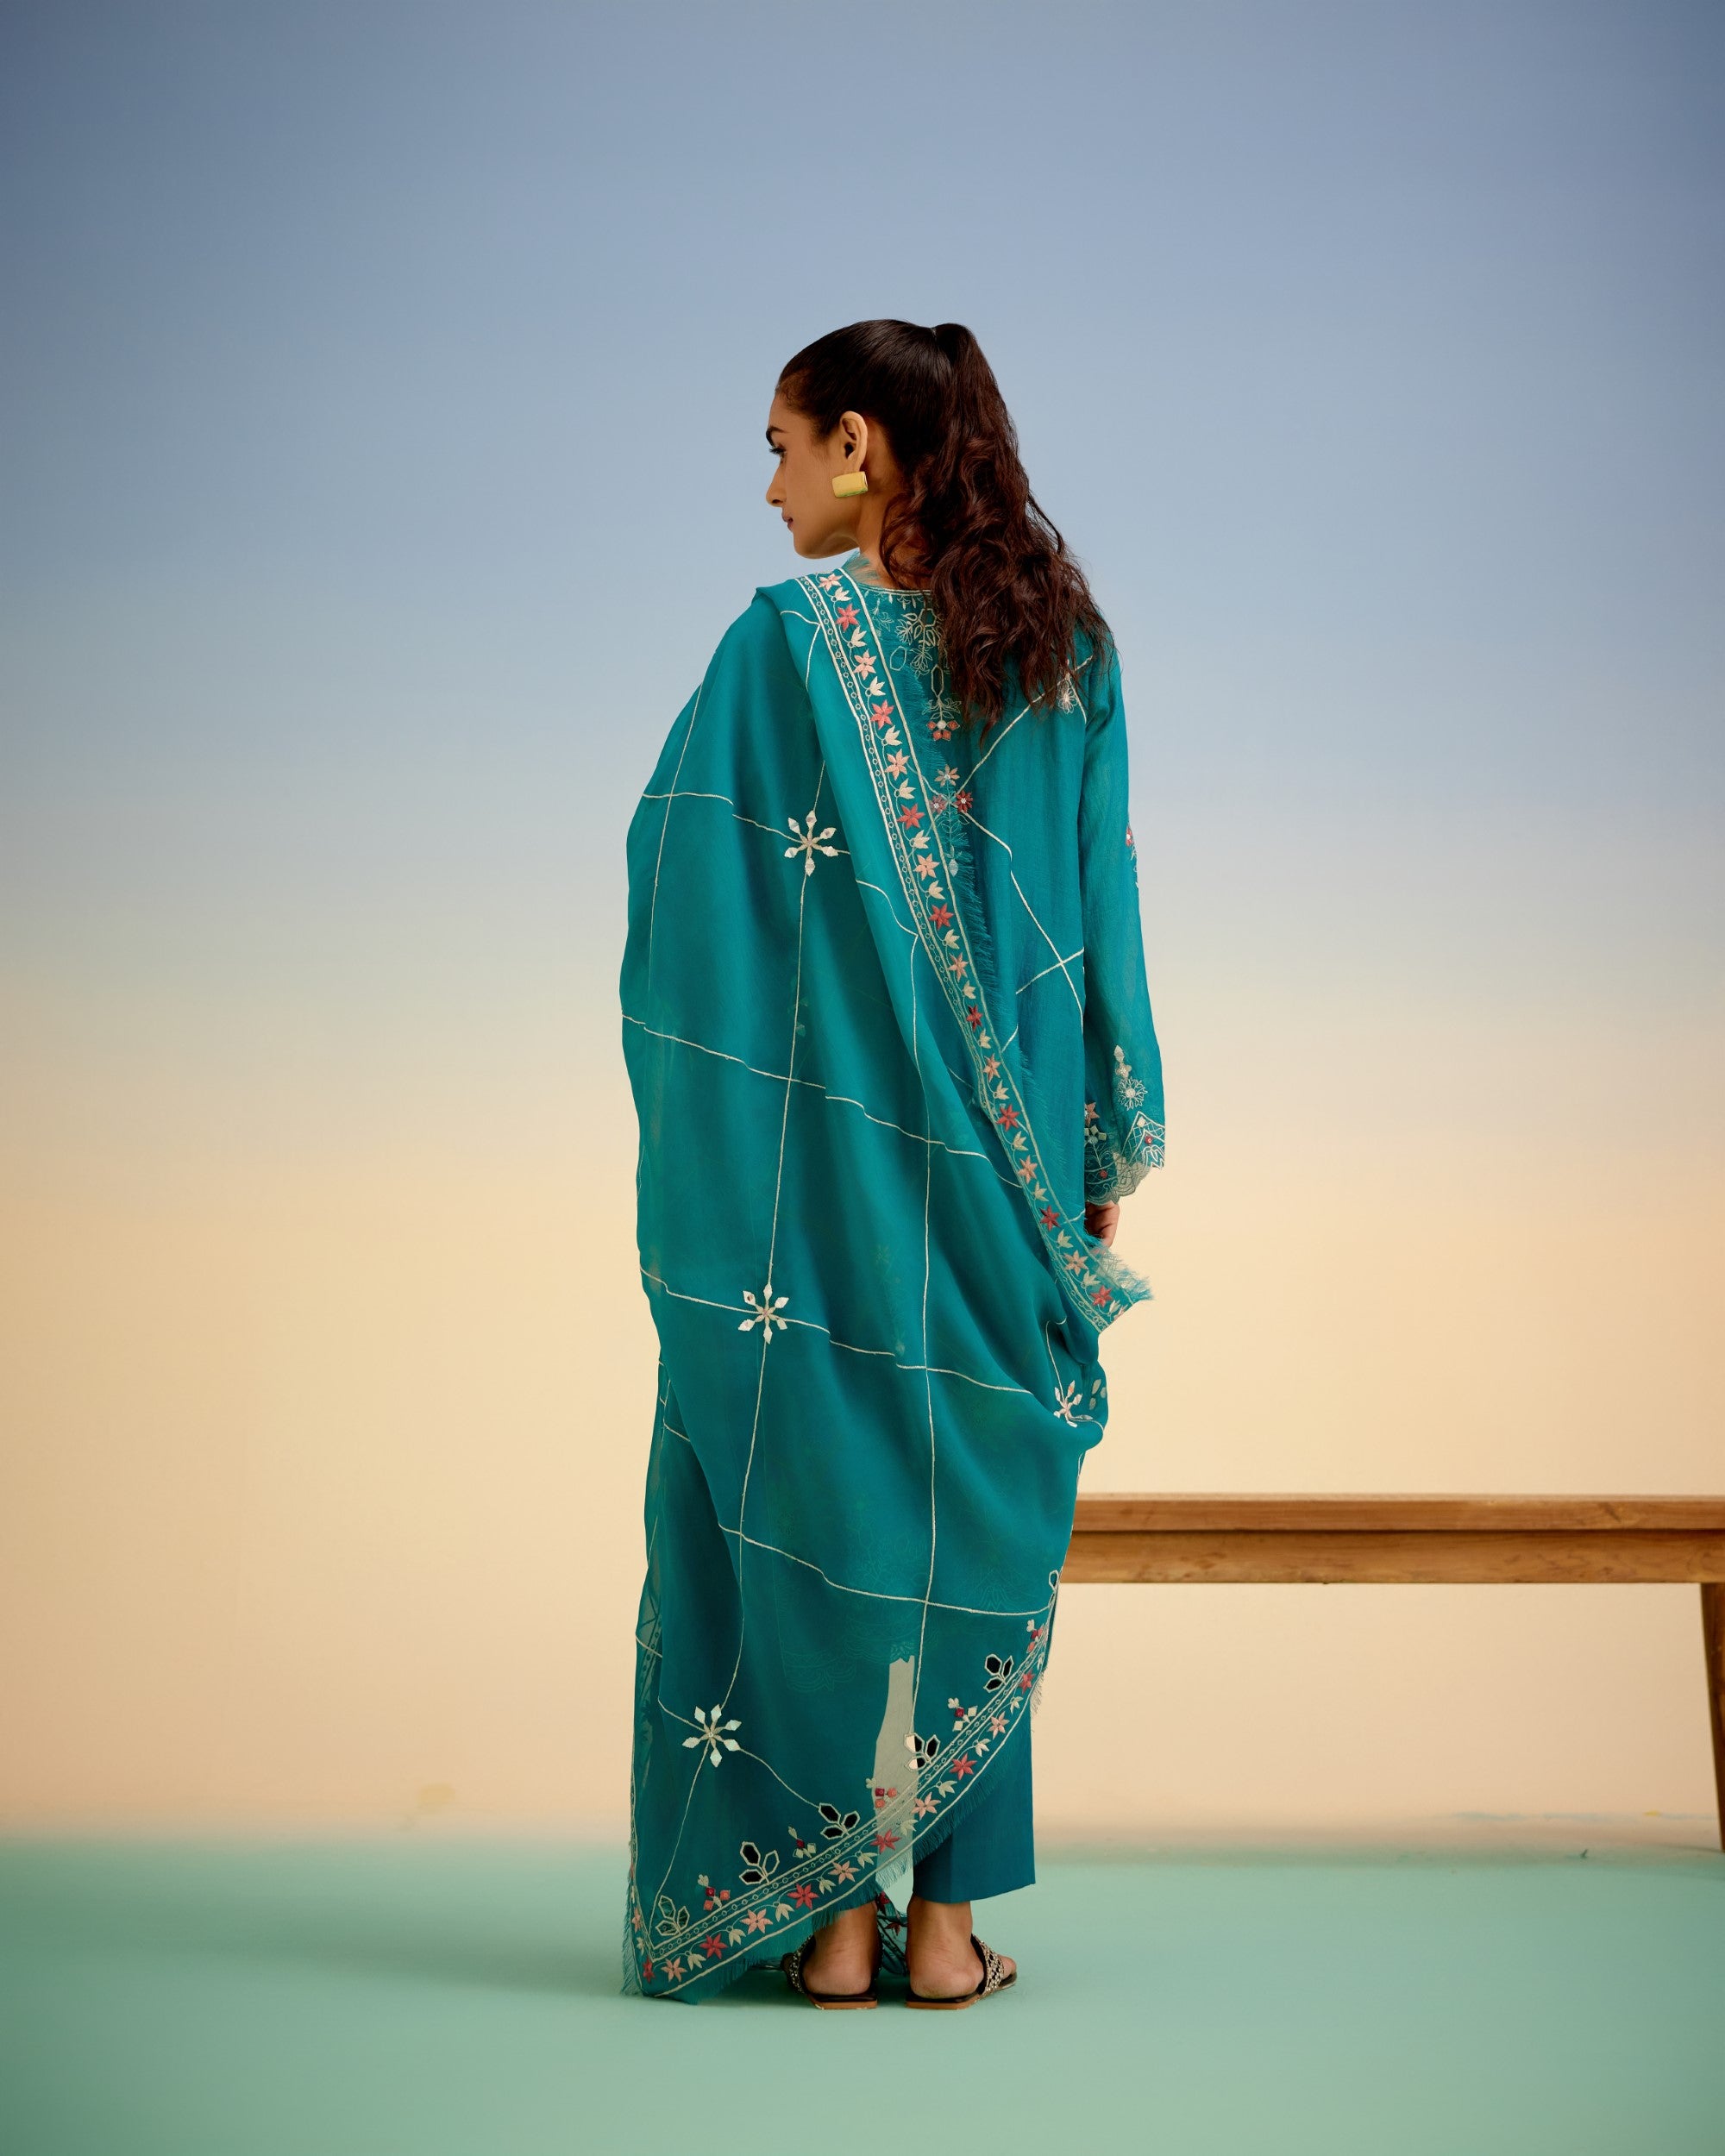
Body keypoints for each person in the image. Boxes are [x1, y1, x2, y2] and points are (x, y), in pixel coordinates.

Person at [618, 319, 1164, 2007]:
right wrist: (1092, 1161)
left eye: (781, 445)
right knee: (969, 1518)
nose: (770, 486)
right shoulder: (1066, 652)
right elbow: (1101, 917)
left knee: (813, 1505)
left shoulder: (778, 651)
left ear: (857, 445)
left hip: (808, 1192)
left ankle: (832, 1925)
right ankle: (945, 1932)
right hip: (1006, 1192)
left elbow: (686, 890)